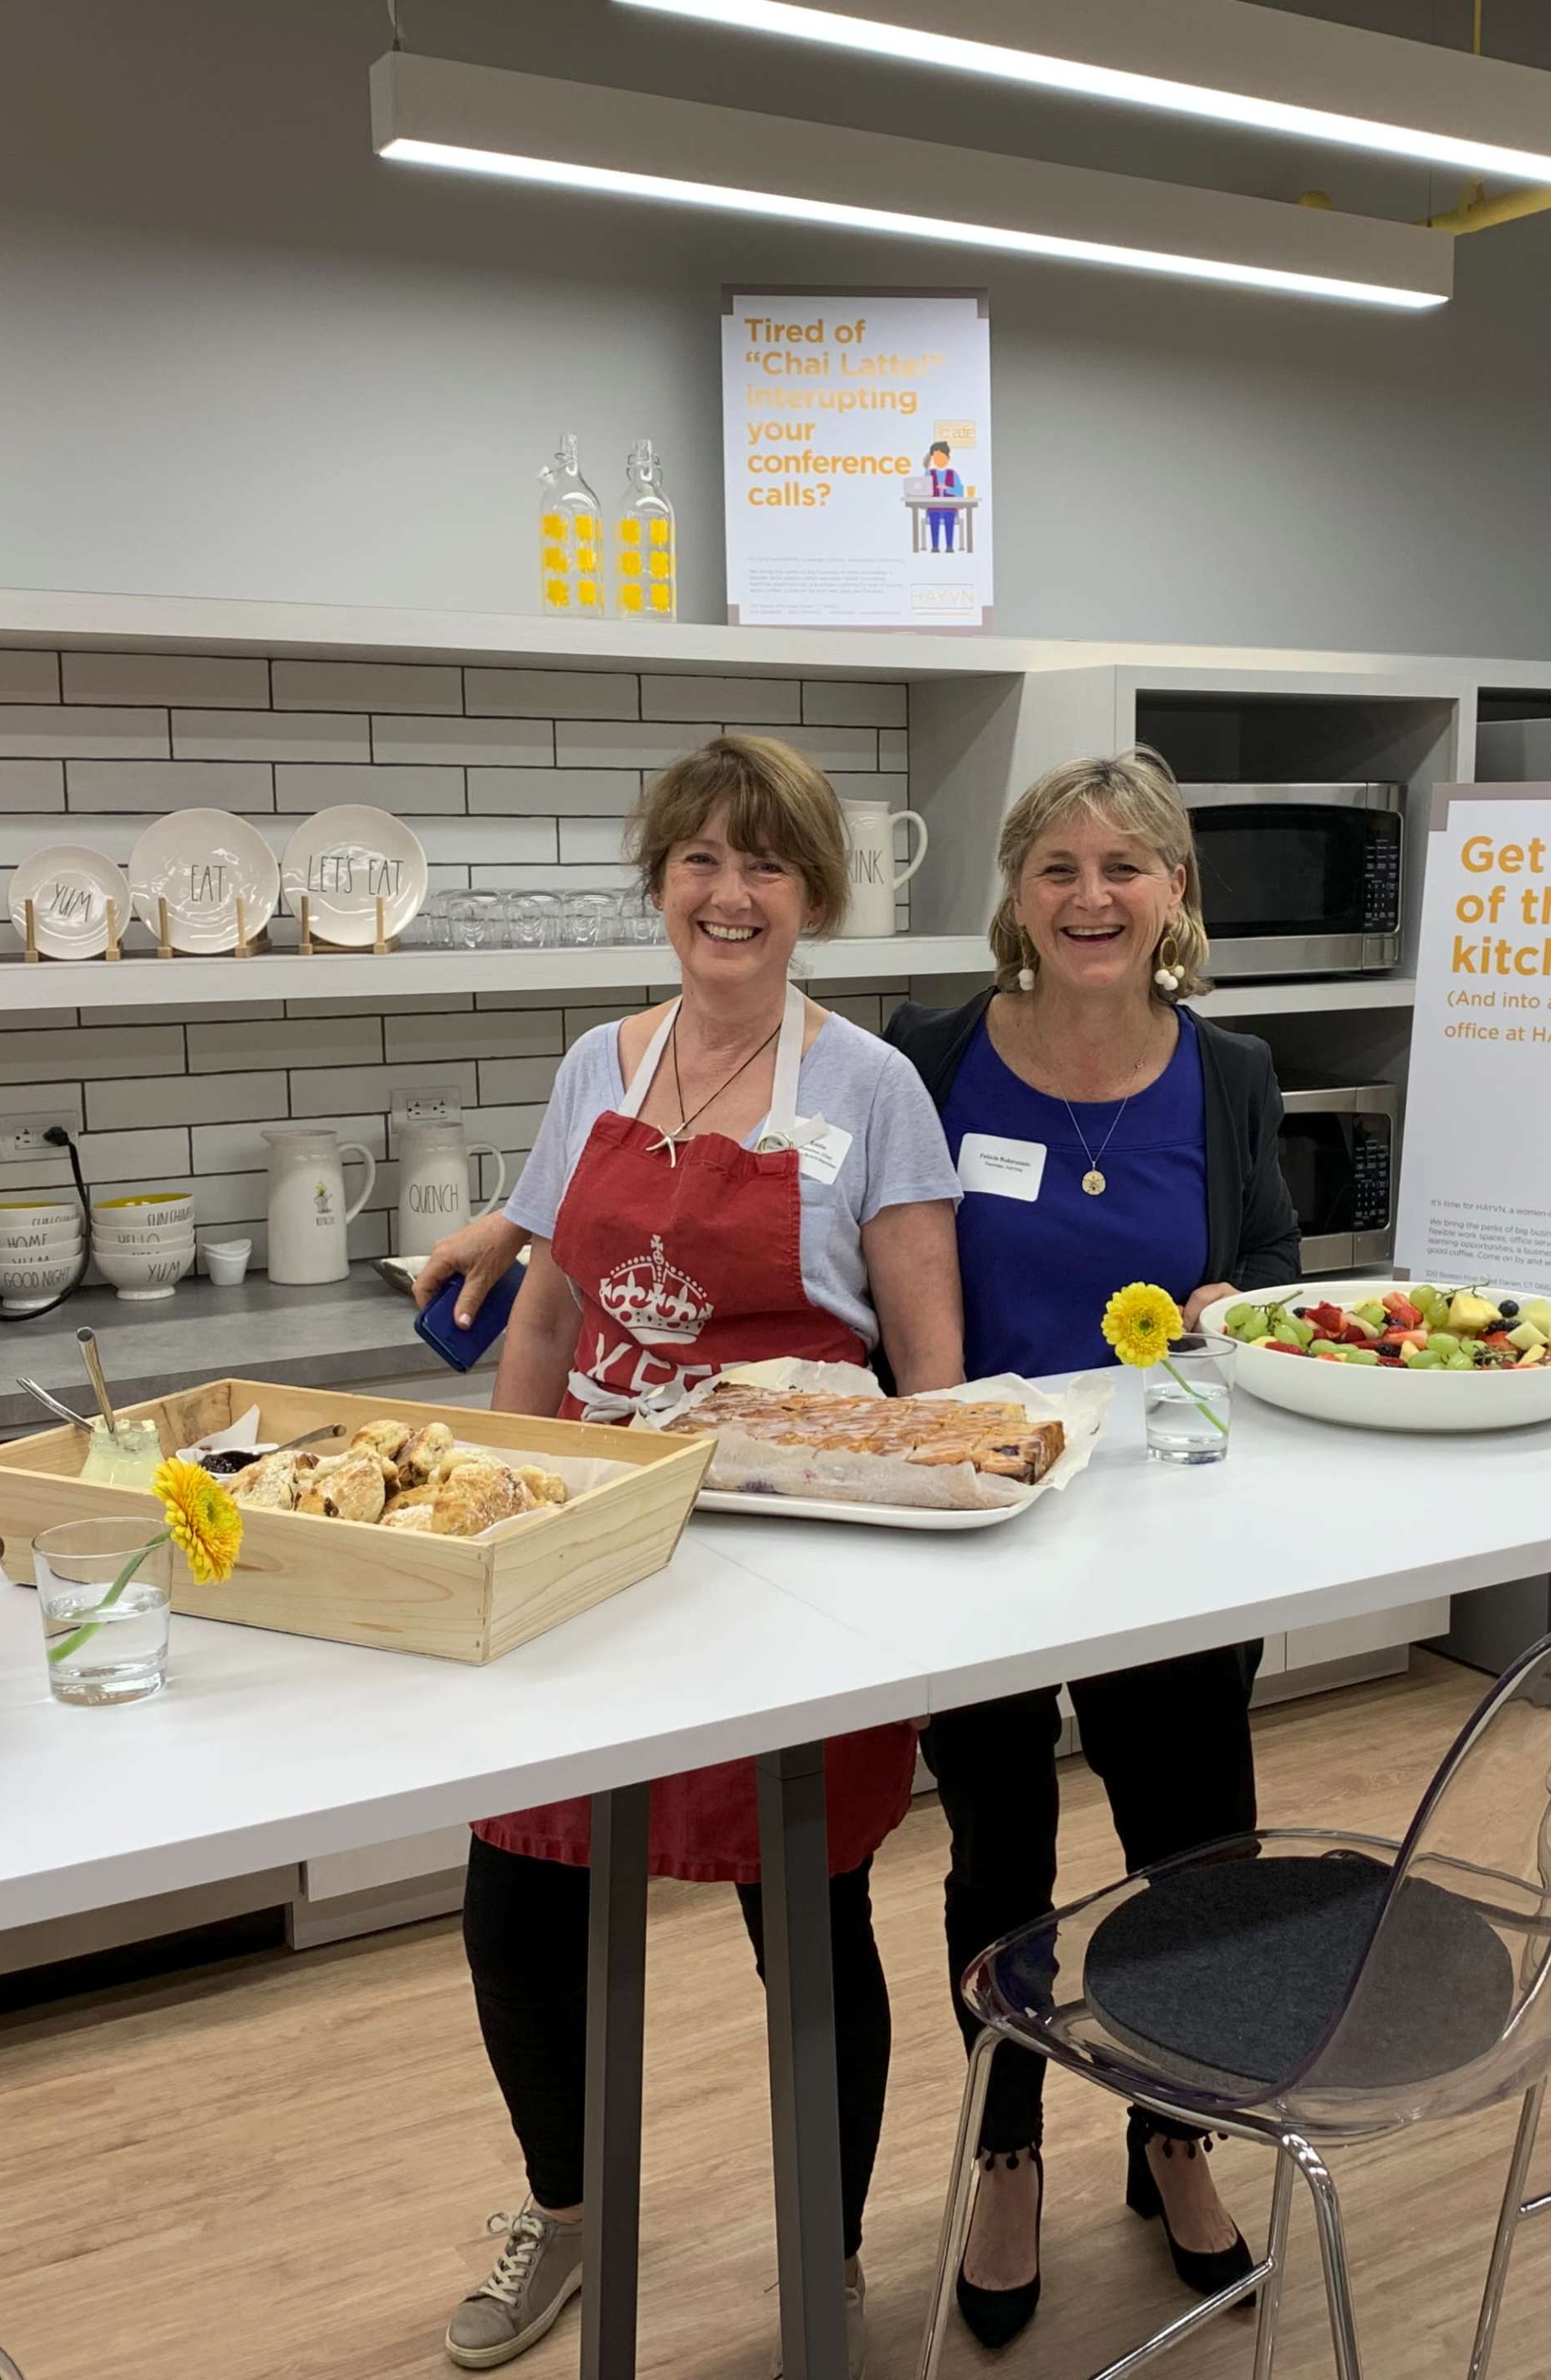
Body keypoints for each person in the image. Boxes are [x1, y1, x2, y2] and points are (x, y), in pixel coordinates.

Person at [440, 734, 964, 2377]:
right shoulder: (599, 1058)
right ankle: (570, 2211)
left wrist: (919, 1579)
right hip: (594, 1546)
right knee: (517, 1907)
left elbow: (931, 1375)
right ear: (658, 879)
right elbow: (547, 1302)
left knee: (805, 1924)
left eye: (768, 867)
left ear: (815, 895)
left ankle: (833, 2249)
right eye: (700, 863)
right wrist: (503, 1503)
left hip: (787, 1551)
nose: (729, 896)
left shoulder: (869, 1084)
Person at [883, 749, 1304, 2350]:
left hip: (1174, 1534)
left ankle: (1174, 2131)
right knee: (998, 1859)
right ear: (1015, 894)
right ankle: (1007, 2152)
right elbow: (878, 1273)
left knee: (1193, 1852)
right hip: (984, 1522)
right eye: (1057, 868)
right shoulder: (929, 1062)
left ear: (1176, 895)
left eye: (1126, 867)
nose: (1091, 898)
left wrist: (1229, 1306)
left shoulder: (1231, 1072)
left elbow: (1265, 1256)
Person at [922, 440, 963, 553]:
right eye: (935, 458)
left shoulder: (953, 474)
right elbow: (923, 490)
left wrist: (948, 488)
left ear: (948, 458)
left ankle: (949, 546)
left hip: (949, 507)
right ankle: (935, 546)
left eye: (941, 457)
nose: (938, 460)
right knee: (934, 518)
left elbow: (960, 491)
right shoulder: (929, 473)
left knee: (949, 518)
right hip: (933, 507)